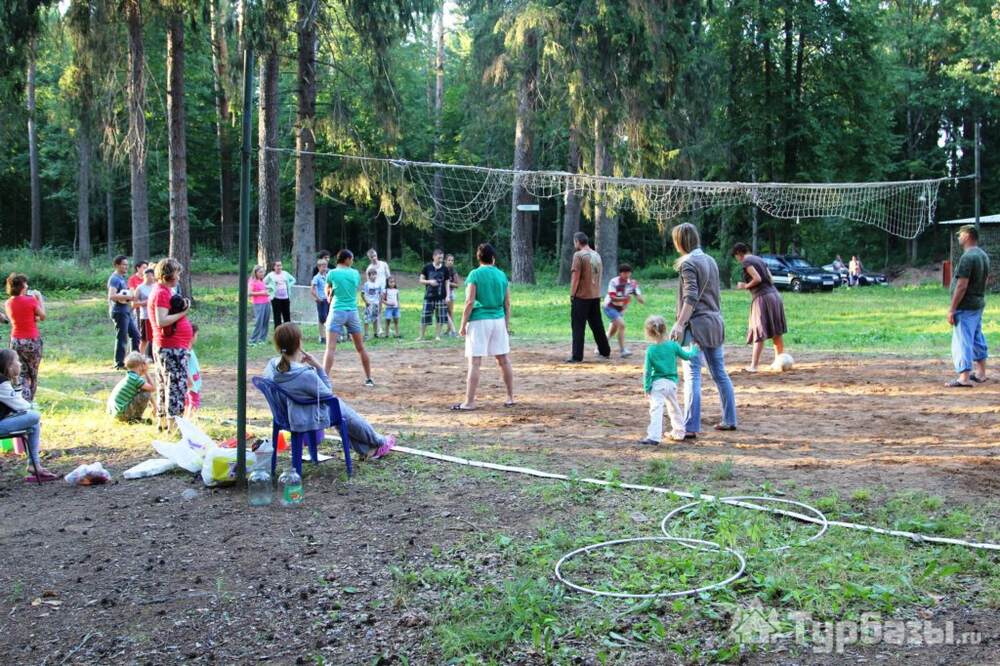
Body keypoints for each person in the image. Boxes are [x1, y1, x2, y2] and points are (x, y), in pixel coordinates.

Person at [265, 323, 395, 460]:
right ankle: (378, 440)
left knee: (339, 409)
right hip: (304, 417)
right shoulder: (304, 374)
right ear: (298, 343)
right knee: (338, 406)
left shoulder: (271, 366)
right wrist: (319, 367)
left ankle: (368, 450)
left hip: (284, 415)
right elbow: (328, 393)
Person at [670, 223, 737, 436]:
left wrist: (680, 324)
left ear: (680, 241)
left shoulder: (688, 263)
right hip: (715, 323)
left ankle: (690, 427)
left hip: (697, 326)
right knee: (720, 373)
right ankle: (730, 419)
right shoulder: (710, 260)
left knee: (692, 376)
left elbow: (690, 296)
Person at [453, 243, 514, 410]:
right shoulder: (502, 275)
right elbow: (507, 303)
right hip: (498, 320)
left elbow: (470, 301)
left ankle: (469, 401)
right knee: (503, 360)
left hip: (480, 320)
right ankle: (510, 397)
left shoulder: (474, 274)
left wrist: (463, 324)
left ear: (478, 258)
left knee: (475, 362)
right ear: (493, 258)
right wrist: (506, 325)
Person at [638, 315, 700, 446]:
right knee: (674, 407)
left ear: (649, 333)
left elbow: (648, 371)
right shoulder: (673, 345)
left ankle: (654, 437)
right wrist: (694, 348)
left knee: (656, 409)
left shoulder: (651, 350)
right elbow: (687, 356)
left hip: (657, 385)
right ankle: (679, 432)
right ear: (665, 329)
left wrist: (646, 387)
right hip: (671, 384)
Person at [148, 257, 193, 432]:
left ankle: (164, 423)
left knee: (166, 384)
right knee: (175, 386)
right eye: (177, 273)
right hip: (171, 347)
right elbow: (162, 320)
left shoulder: (163, 291)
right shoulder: (161, 292)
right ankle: (173, 426)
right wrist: (184, 312)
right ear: (168, 275)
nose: (179, 277)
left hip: (171, 346)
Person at [0, 349, 58, 481]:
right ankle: (34, 464)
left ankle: (35, 465)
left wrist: (16, 381)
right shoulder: (1, 383)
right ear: (9, 366)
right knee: (34, 416)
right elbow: (21, 405)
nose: (20, 365)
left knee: (33, 419)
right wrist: (30, 408)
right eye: (17, 361)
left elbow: (17, 404)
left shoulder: (5, 381)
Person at [732, 243, 788, 372]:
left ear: (739, 253)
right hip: (775, 295)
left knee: (759, 330)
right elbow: (771, 279)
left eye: (736, 256)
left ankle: (753, 366)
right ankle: (779, 363)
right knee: (776, 331)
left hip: (763, 298)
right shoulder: (760, 259)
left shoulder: (746, 261)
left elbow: (757, 278)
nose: (738, 259)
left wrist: (744, 286)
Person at [947, 224, 990, 388]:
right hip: (978, 303)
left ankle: (963, 378)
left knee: (963, 340)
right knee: (977, 337)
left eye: (960, 235)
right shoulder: (983, 255)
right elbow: (986, 279)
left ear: (967, 236)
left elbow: (962, 285)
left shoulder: (967, 257)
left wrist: (952, 308)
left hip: (965, 306)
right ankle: (980, 373)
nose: (958, 238)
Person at [323, 250, 374, 386]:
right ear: (346, 259)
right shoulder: (355, 273)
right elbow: (353, 288)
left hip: (337, 311)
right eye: (351, 258)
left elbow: (327, 290)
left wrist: (329, 295)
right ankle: (369, 378)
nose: (352, 261)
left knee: (330, 348)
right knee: (360, 348)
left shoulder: (332, 273)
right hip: (352, 312)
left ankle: (324, 380)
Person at [567, 232, 611, 363]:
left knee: (578, 326)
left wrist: (572, 294)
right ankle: (605, 350)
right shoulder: (596, 255)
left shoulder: (579, 255)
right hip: (595, 295)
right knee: (597, 325)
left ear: (577, 241)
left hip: (581, 296)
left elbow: (576, 277)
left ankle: (577, 356)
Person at [5, 273, 45, 402]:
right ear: (22, 286)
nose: (27, 286)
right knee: (33, 374)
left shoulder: (8, 303)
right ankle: (29, 402)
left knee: (20, 374)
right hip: (32, 340)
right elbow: (42, 316)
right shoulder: (31, 300)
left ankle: (21, 399)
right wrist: (39, 298)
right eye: (25, 283)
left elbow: (23, 318)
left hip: (16, 340)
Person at [603, 263, 645, 358]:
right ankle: (623, 350)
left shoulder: (632, 284)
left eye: (628, 273)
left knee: (612, 331)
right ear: (620, 273)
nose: (627, 275)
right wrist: (625, 298)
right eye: (624, 273)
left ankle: (600, 347)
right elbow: (613, 298)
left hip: (620, 309)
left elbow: (639, 297)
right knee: (622, 325)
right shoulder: (614, 282)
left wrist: (640, 298)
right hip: (609, 306)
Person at [108, 255, 140, 370]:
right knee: (122, 337)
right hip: (118, 311)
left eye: (127, 264)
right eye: (123, 264)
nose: (126, 267)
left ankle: (135, 361)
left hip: (125, 310)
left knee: (136, 335)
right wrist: (129, 298)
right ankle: (119, 363)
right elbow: (112, 296)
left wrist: (130, 296)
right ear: (117, 265)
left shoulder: (122, 278)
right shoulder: (115, 278)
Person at [106, 351, 155, 423]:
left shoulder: (131, 376)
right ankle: (135, 419)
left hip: (116, 413)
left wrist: (154, 406)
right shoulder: (135, 379)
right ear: (140, 365)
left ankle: (133, 418)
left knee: (145, 391)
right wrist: (146, 372)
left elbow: (148, 389)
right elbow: (153, 388)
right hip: (121, 414)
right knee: (145, 394)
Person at [419, 249, 450, 340]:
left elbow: (447, 283)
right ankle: (421, 336)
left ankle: (437, 336)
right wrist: (429, 282)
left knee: (440, 317)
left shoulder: (445, 269)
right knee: (425, 316)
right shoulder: (427, 267)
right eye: (439, 257)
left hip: (441, 297)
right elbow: (421, 280)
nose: (441, 259)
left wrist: (448, 295)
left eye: (442, 257)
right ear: (434, 257)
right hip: (429, 297)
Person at [264, 260, 296, 329]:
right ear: (274, 267)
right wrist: (271, 287)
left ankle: (288, 332)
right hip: (276, 298)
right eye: (277, 266)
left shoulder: (285, 273)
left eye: (280, 265)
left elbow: (293, 280)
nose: (279, 267)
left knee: (287, 316)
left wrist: (288, 286)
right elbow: (263, 283)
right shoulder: (271, 275)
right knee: (277, 316)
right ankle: (278, 333)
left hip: (285, 298)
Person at [135, 267, 156, 359]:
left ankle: (155, 356)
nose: (149, 277)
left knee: (156, 338)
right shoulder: (140, 288)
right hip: (145, 316)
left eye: (151, 275)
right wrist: (146, 302)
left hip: (156, 316)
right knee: (145, 339)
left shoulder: (156, 287)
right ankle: (140, 357)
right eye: (146, 275)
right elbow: (134, 304)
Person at [248, 266, 271, 345]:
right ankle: (253, 340)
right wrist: (262, 293)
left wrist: (268, 291)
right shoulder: (252, 281)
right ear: (256, 273)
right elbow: (249, 293)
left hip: (266, 302)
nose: (262, 274)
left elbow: (264, 290)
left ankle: (262, 339)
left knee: (265, 321)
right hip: (258, 303)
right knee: (259, 322)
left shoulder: (262, 281)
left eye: (263, 272)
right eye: (260, 272)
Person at [311, 258, 330, 345]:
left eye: (326, 266)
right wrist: (318, 298)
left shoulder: (329, 276)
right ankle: (322, 337)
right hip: (321, 300)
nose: (325, 268)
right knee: (322, 318)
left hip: (329, 299)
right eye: (323, 266)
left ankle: (329, 336)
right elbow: (313, 290)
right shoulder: (316, 277)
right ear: (318, 267)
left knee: (329, 318)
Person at [362, 266, 383, 339]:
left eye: (375, 274)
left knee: (375, 319)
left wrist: (380, 303)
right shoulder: (366, 284)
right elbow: (362, 294)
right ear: (369, 276)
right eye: (372, 275)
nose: (374, 276)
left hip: (376, 304)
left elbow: (380, 294)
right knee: (366, 319)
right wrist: (366, 301)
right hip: (369, 304)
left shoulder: (378, 284)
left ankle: (375, 333)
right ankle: (366, 334)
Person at [185, 323, 202, 419]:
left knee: (189, 400)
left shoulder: (189, 349)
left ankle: (186, 419)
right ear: (191, 336)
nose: (197, 338)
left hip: (193, 379)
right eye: (196, 335)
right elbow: (184, 365)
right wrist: (189, 378)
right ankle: (189, 421)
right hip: (191, 380)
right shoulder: (187, 350)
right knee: (194, 400)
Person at [444, 254, 461, 336]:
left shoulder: (453, 271)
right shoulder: (442, 269)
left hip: (450, 293)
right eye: (449, 260)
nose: (451, 262)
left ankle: (450, 330)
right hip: (442, 293)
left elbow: (457, 285)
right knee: (444, 312)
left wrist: (447, 282)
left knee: (449, 312)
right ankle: (449, 330)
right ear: (445, 261)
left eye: (452, 260)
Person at [128, 260, 148, 326]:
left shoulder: (148, 279)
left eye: (147, 268)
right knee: (138, 326)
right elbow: (132, 292)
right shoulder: (132, 279)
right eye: (144, 268)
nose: (146, 270)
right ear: (138, 268)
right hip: (137, 307)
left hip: (148, 307)